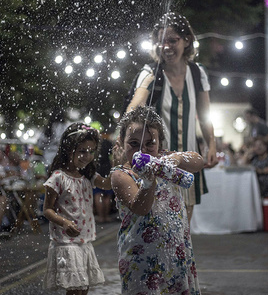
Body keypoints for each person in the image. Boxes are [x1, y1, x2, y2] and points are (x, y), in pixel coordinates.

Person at [126, 12, 217, 222]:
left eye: (172, 40)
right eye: (161, 41)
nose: (166, 46)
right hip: (157, 163)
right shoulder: (150, 72)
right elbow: (133, 109)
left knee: (183, 231)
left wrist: (211, 144)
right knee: (156, 229)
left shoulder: (197, 73)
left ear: (186, 41)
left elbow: (204, 115)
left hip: (187, 162)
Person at [111, 106, 204, 294]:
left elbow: (198, 161)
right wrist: (148, 180)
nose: (142, 150)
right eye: (134, 144)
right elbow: (141, 208)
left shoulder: (165, 159)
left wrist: (177, 158)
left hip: (176, 253)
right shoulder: (121, 174)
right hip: (142, 259)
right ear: (121, 143)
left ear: (160, 144)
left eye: (149, 144)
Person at [42, 123, 111, 295]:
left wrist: (117, 163)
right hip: (67, 243)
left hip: (84, 242)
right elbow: (47, 210)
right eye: (82, 151)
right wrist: (64, 222)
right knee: (74, 290)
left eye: (91, 151)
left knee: (83, 289)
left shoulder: (88, 176)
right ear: (68, 149)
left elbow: (109, 183)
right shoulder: (58, 178)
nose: (87, 156)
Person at [93, 131, 114, 223]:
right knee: (108, 195)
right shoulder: (108, 143)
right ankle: (106, 216)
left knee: (98, 194)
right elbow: (112, 158)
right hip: (107, 169)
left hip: (97, 169)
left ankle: (101, 217)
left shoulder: (94, 143)